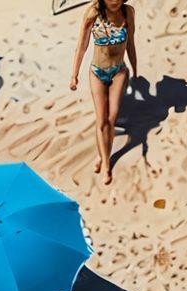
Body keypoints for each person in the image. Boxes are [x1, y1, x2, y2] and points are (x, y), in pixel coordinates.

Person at [69, 0, 137, 184]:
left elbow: (130, 43)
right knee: (101, 121)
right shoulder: (92, 13)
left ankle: (104, 157)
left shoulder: (128, 12)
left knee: (110, 120)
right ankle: (105, 161)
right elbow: (81, 46)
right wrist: (74, 75)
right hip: (97, 72)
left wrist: (135, 69)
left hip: (119, 72)